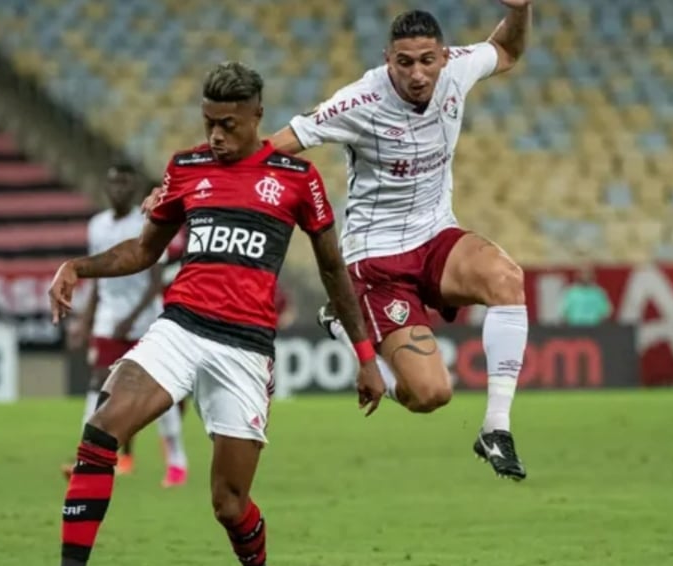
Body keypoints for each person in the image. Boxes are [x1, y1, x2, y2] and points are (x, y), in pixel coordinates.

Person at [146, 1, 533, 481]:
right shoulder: (359, 101)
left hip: (436, 235)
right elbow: (273, 146)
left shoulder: (458, 67)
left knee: (506, 278)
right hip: (377, 260)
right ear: (387, 59)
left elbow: (506, 50)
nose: (417, 74)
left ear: (442, 56)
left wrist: (521, 9)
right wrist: (180, 182)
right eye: (404, 62)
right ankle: (343, 326)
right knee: (430, 395)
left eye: (427, 61)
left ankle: (496, 428)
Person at [46, 62, 385, 566]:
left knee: (229, 504)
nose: (216, 136)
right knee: (102, 428)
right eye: (208, 123)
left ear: (257, 116)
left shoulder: (297, 178)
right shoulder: (185, 168)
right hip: (180, 328)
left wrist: (365, 357)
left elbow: (332, 271)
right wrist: (77, 268)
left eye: (228, 124)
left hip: (245, 349)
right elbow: (144, 250)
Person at [63, 162, 189, 488]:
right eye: (114, 183)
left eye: (125, 183)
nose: (119, 188)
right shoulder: (96, 226)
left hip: (145, 319)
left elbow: (154, 280)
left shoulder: (146, 221)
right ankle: (84, 459)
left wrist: (131, 319)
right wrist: (85, 321)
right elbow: (97, 276)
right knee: (99, 384)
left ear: (134, 189)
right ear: (107, 187)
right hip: (108, 317)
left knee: (160, 392)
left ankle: (177, 463)